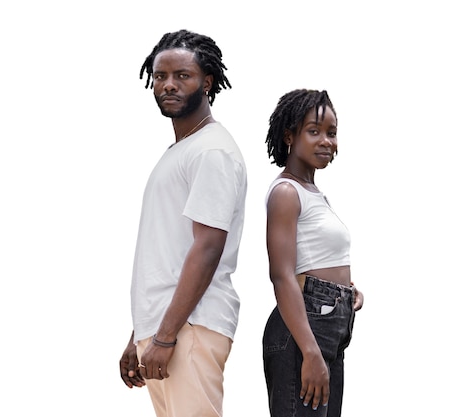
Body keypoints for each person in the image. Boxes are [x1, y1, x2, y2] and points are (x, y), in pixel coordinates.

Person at [118, 29, 247, 417]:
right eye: (160, 76)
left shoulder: (212, 151)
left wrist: (166, 334)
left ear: (207, 81)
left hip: (189, 327)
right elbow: (166, 250)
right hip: (166, 328)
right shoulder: (183, 150)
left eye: (182, 76)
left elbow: (207, 248)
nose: (168, 85)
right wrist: (139, 335)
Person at [262, 89, 364, 417]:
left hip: (330, 325)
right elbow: (281, 274)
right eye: (314, 131)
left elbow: (316, 259)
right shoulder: (286, 193)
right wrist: (310, 351)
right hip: (305, 331)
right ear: (289, 136)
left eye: (332, 133)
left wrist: (346, 292)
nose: (326, 141)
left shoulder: (313, 194)